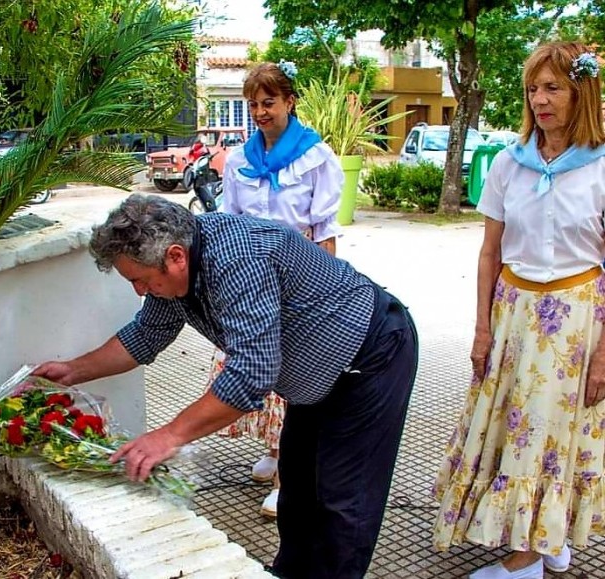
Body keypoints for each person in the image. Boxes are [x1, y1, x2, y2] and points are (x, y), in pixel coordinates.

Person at [34, 193, 418, 578]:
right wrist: (70, 372)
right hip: (312, 378)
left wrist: (169, 435)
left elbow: (251, 374)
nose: (139, 291)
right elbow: (145, 336)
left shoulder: (240, 259)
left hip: (369, 360)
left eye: (140, 280)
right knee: (298, 493)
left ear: (175, 257)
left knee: (342, 504)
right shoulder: (174, 270)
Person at [432, 41, 605, 579]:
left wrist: (604, 357)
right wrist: (481, 328)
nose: (540, 100)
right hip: (512, 314)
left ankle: (529, 556)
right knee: (512, 425)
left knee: (555, 430)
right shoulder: (511, 163)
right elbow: (489, 252)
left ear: (584, 91)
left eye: (553, 87)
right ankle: (543, 538)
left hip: (575, 321)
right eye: (533, 89)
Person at [211, 60, 342, 518]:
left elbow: (324, 231)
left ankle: (291, 477)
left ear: (290, 102)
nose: (261, 112)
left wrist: (324, 293)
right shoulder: (242, 160)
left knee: (293, 374)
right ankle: (273, 448)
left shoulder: (316, 158)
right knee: (257, 366)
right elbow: (227, 222)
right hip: (250, 281)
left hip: (298, 279)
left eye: (269, 102)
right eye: (254, 105)